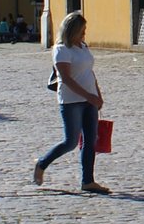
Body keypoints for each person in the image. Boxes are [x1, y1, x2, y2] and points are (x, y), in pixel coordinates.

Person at [35, 11, 108, 192]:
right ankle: (42, 163)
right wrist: (87, 95)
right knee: (71, 142)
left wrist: (97, 94)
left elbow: (89, 72)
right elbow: (66, 79)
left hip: (90, 99)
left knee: (90, 141)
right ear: (72, 31)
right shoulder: (61, 49)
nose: (84, 34)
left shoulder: (83, 47)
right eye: (81, 31)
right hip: (71, 101)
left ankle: (88, 181)